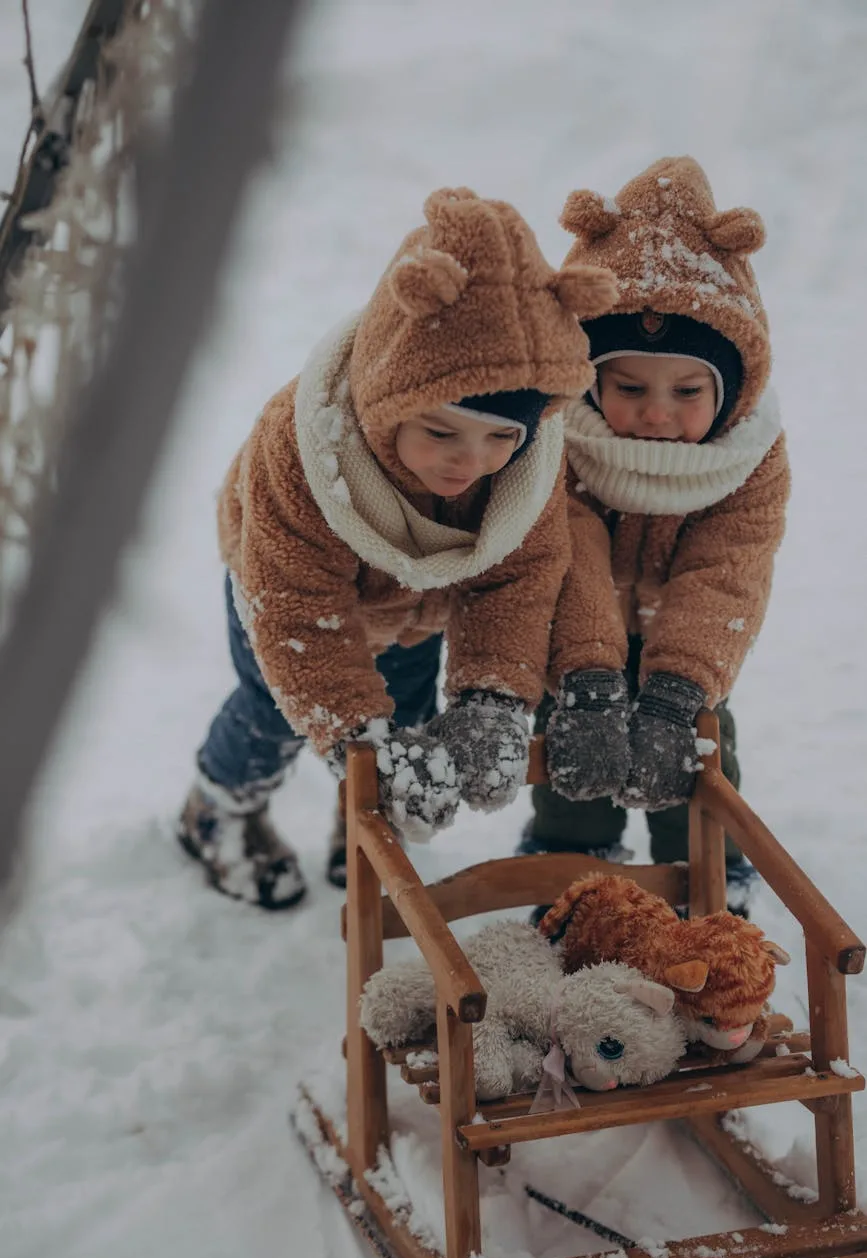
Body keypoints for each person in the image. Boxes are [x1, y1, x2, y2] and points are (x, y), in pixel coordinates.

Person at [177, 185, 617, 908]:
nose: (467, 462)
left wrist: (491, 698)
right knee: (273, 712)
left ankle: (358, 818)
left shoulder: (529, 468)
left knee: (406, 707)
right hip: (285, 586)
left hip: (419, 600)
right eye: (440, 432)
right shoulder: (303, 444)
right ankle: (219, 806)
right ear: (390, 396)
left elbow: (519, 578)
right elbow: (296, 611)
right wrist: (358, 745)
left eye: (501, 436)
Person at [524, 156, 790, 919]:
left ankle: (707, 886)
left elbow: (727, 572)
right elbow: (565, 554)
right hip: (579, 644)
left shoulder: (747, 455)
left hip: (689, 648)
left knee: (701, 756)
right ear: (588, 380)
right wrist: (587, 679)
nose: (656, 413)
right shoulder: (563, 442)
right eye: (629, 387)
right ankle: (570, 872)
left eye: (686, 391)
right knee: (573, 758)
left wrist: (675, 692)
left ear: (729, 387)